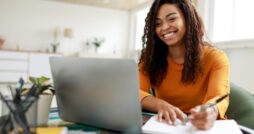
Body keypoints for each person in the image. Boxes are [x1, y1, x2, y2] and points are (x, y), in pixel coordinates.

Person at [138, 0, 229, 130]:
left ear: (188, 19)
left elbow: (219, 97)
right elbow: (135, 93)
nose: (164, 27)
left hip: (204, 128)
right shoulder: (151, 59)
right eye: (158, 23)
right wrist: (160, 105)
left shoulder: (215, 58)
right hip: (166, 126)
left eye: (172, 19)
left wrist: (211, 112)